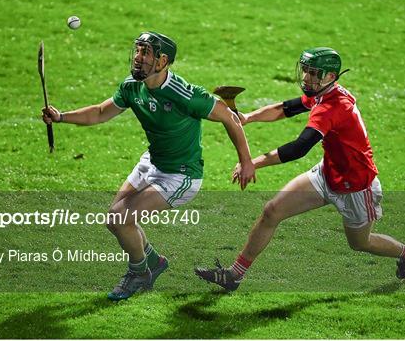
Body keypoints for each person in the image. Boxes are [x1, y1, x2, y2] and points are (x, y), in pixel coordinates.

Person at [42, 31, 256, 300]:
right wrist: (61, 117)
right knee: (115, 220)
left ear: (163, 60)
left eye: (146, 53)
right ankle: (153, 262)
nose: (138, 57)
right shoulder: (132, 86)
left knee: (121, 219)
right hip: (152, 162)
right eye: (138, 50)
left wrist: (246, 161)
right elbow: (99, 112)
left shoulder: (185, 94)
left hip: (181, 176)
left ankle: (139, 272)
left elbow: (229, 117)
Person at [195, 47, 405, 291]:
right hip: (328, 174)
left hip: (357, 187)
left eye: (314, 73)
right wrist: (248, 117)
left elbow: (299, 148)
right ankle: (235, 275)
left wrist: (253, 163)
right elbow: (287, 108)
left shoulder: (332, 108)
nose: (306, 77)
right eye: (305, 70)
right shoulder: (323, 93)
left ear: (330, 77)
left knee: (360, 243)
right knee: (272, 211)